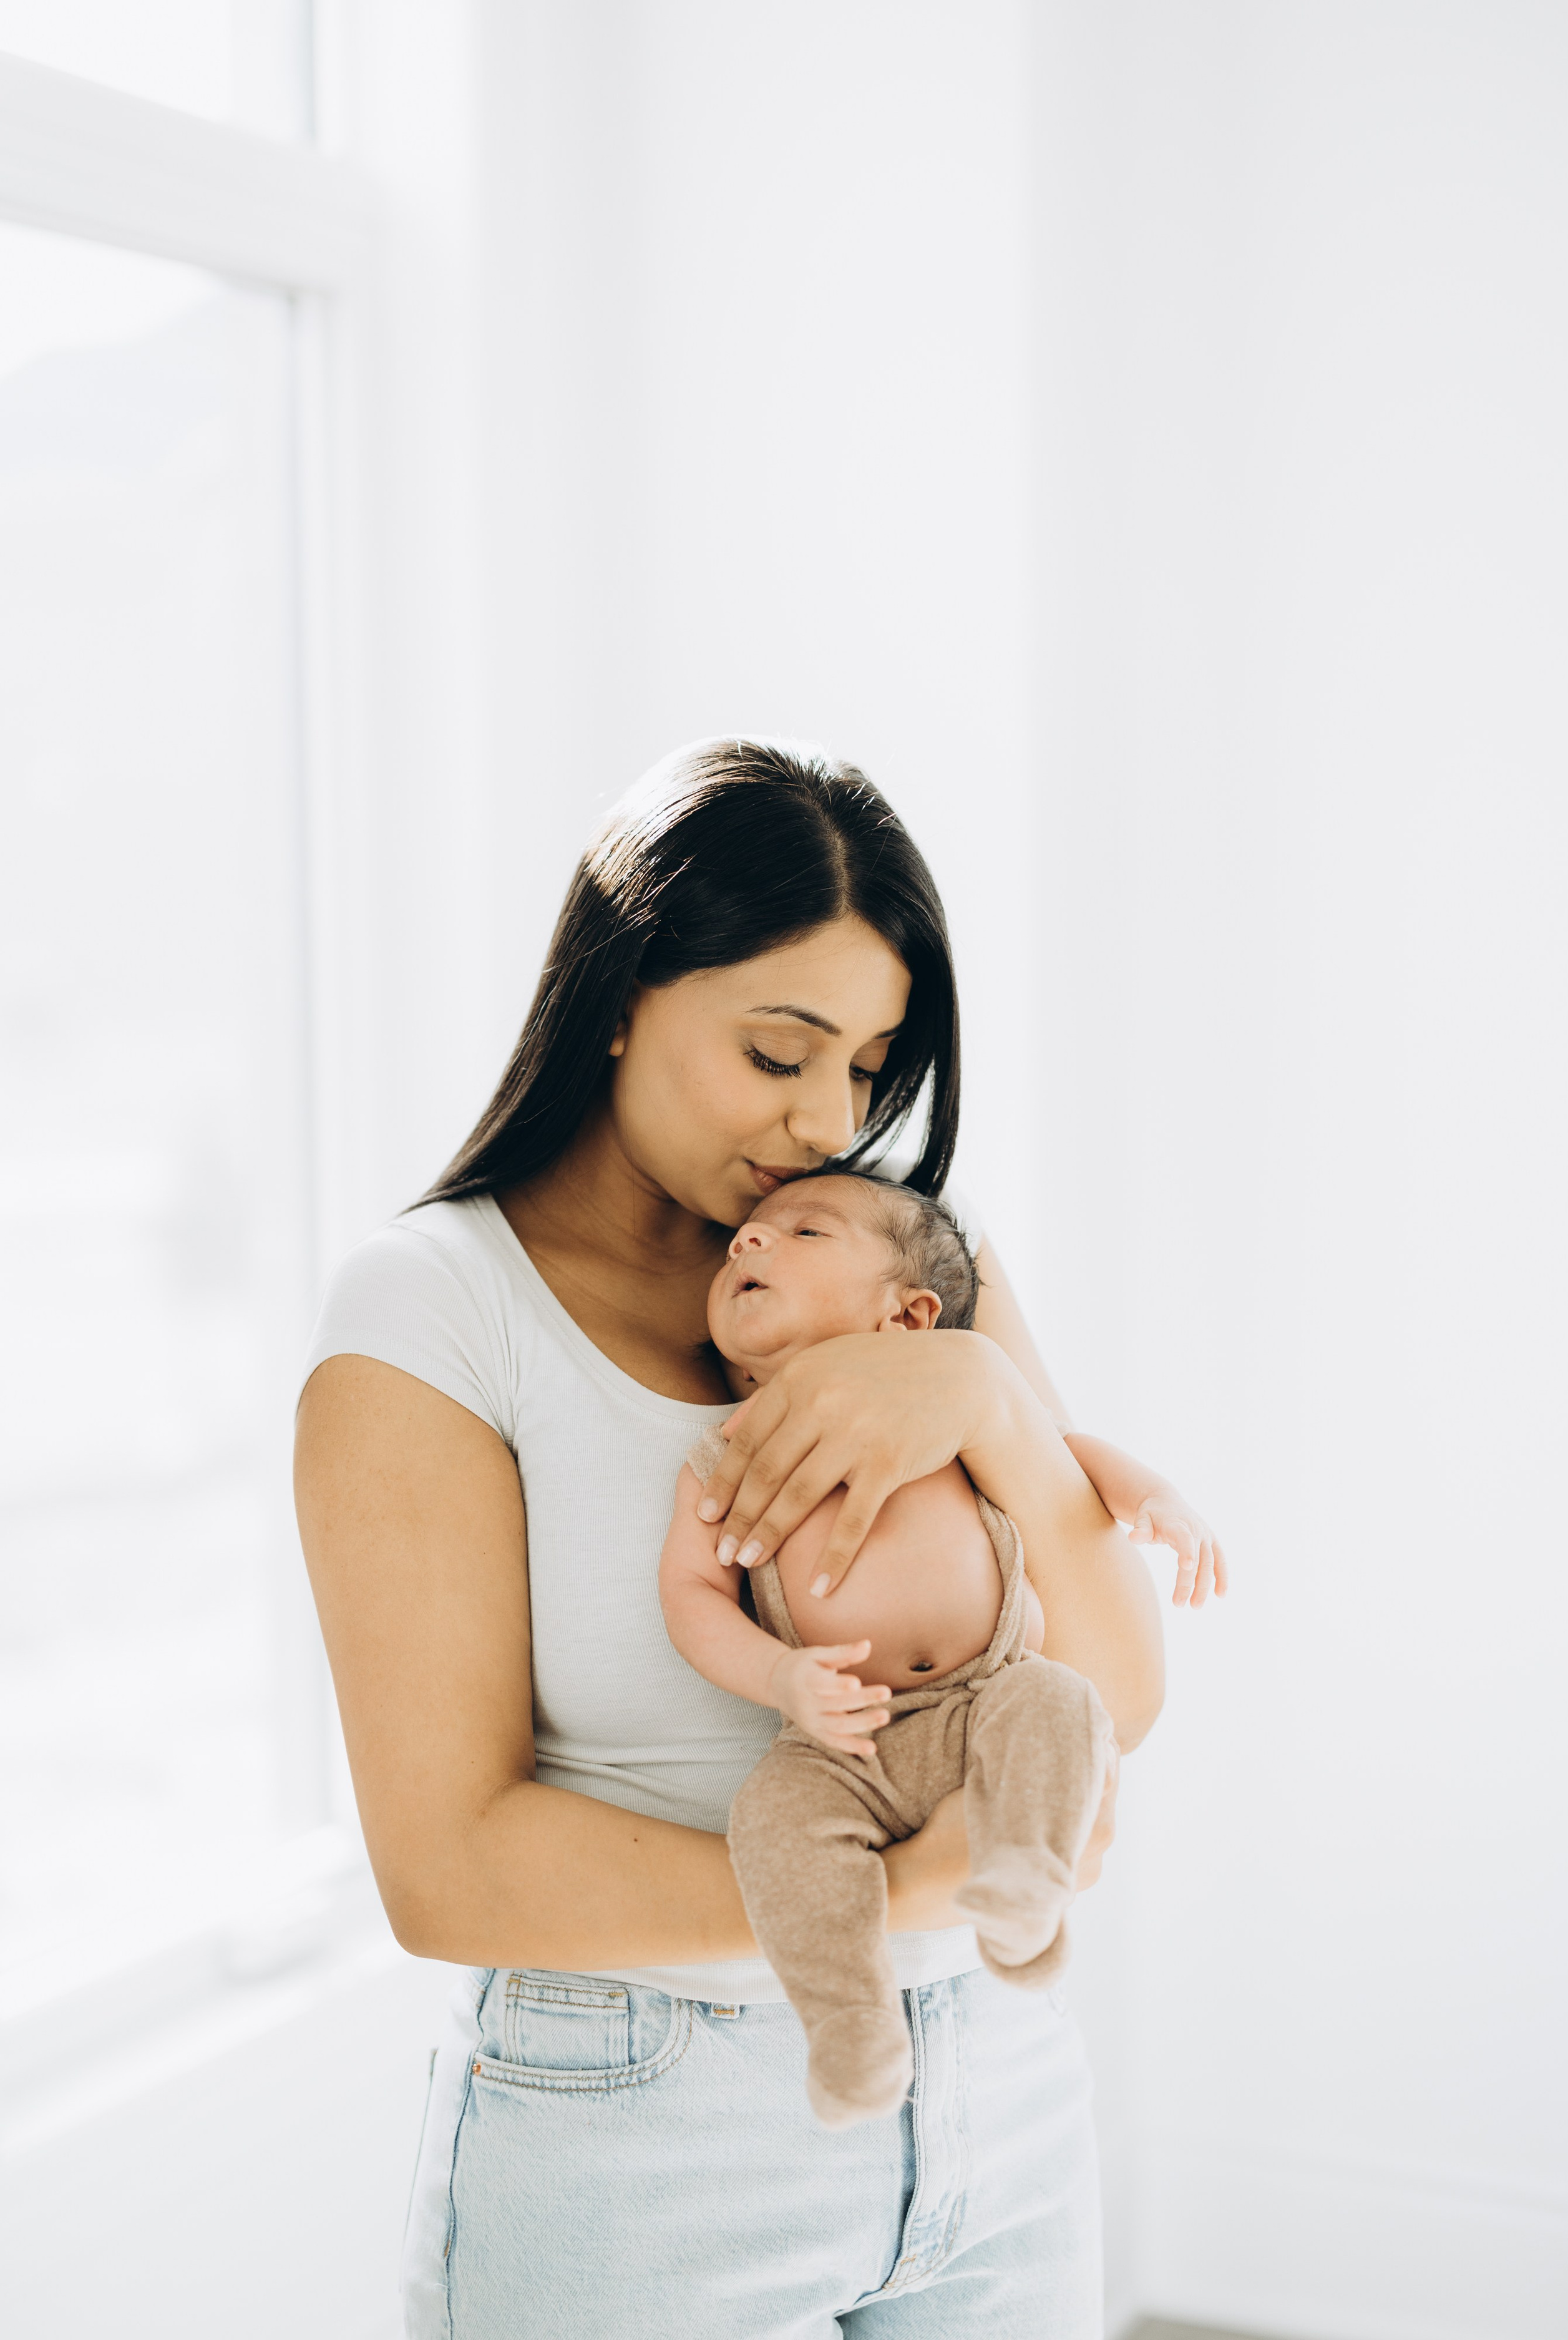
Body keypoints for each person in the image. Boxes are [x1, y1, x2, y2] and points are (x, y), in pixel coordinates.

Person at [295, 737, 1224, 2339]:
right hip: (637, 2135)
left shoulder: (909, 1259)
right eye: (778, 1052)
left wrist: (982, 1400)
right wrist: (901, 1888)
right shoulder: (433, 1312)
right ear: (616, 996)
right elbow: (447, 1870)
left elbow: (1118, 1691)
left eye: (868, 1066)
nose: (825, 1121)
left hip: (993, 2104)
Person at [660, 1170, 1117, 2131]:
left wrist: (1154, 1499)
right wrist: (782, 1677)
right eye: (743, 1233)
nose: (748, 1241)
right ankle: (851, 2028)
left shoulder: (946, 1411)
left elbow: (1068, 1458)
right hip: (841, 1740)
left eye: (804, 1231)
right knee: (774, 1825)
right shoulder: (725, 1452)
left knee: (1065, 1706)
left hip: (988, 1693)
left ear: (907, 1318)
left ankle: (1027, 1885)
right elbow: (694, 1596)